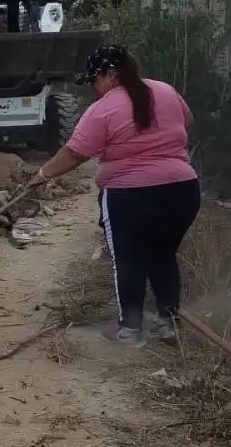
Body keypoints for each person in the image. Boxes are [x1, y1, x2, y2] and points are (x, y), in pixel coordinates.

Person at [34, 45, 200, 347]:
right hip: (182, 191)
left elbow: (75, 153)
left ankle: (130, 330)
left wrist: (43, 175)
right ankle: (168, 323)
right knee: (163, 255)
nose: (95, 89)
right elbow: (185, 120)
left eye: (95, 80)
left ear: (111, 74)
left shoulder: (104, 109)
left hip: (129, 195)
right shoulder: (165, 90)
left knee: (128, 259)